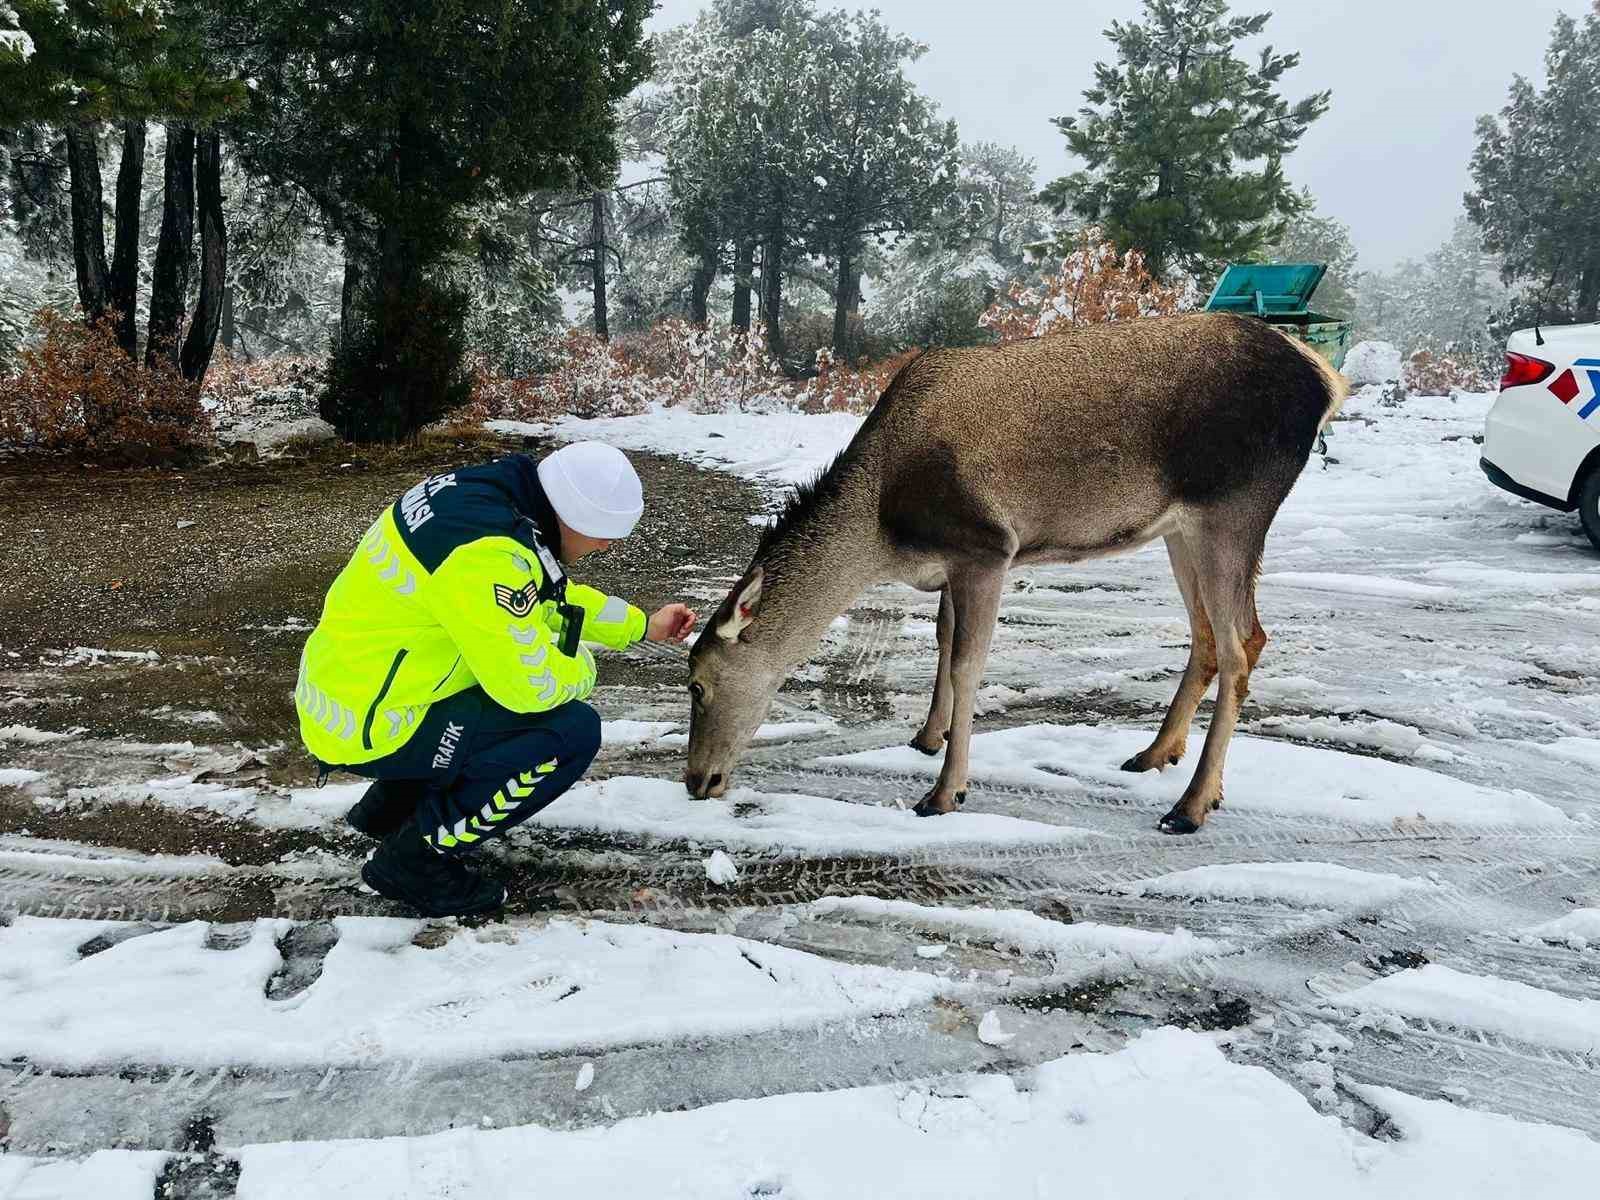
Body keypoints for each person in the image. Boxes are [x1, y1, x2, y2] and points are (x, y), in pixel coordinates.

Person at [295, 442, 696, 917]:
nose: (609, 546)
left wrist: (640, 625)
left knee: (490, 674)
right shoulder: (486, 558)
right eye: (605, 534)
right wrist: (583, 668)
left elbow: (548, 596)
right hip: (375, 724)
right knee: (568, 731)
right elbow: (529, 687)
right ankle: (416, 859)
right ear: (576, 517)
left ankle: (389, 809)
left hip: (353, 692)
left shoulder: (488, 502)